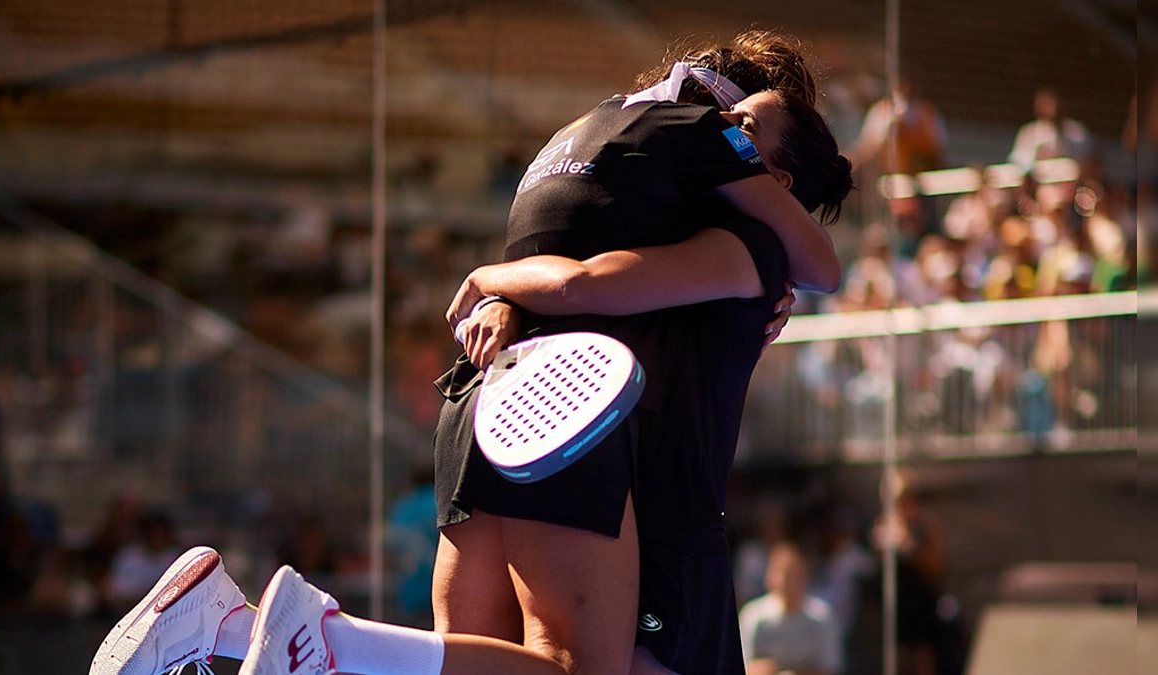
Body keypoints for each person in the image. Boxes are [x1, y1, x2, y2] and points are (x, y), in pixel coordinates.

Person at [90, 31, 851, 675]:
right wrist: (498, 284)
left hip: (503, 401)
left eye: (747, 126)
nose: (724, 124)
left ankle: (233, 625)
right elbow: (587, 279)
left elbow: (602, 273)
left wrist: (496, 283)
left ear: (778, 182)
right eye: (733, 117)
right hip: (575, 434)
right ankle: (322, 637)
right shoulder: (702, 211)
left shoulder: (740, 237)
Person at [738, 542, 843, 675]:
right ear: (769, 578)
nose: (787, 581)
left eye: (794, 574)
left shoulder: (822, 617)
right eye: (782, 573)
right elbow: (742, 667)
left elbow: (831, 667)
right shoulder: (752, 616)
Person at [1008, 88, 1093, 173]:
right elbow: (1017, 160)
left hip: (1068, 177)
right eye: (1045, 104)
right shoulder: (1029, 131)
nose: (1052, 108)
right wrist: (1036, 156)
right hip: (1040, 177)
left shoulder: (1076, 131)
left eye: (1053, 104)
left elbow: (1087, 156)